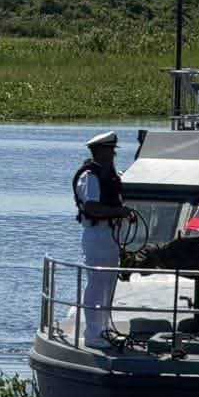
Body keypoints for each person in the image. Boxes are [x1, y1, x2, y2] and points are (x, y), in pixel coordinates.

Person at [72, 131, 137, 348]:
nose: (112, 155)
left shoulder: (110, 174)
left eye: (113, 151)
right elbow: (92, 207)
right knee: (97, 283)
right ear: (99, 151)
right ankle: (93, 334)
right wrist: (119, 211)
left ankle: (104, 329)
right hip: (97, 234)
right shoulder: (90, 176)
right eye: (109, 151)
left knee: (108, 284)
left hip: (111, 235)